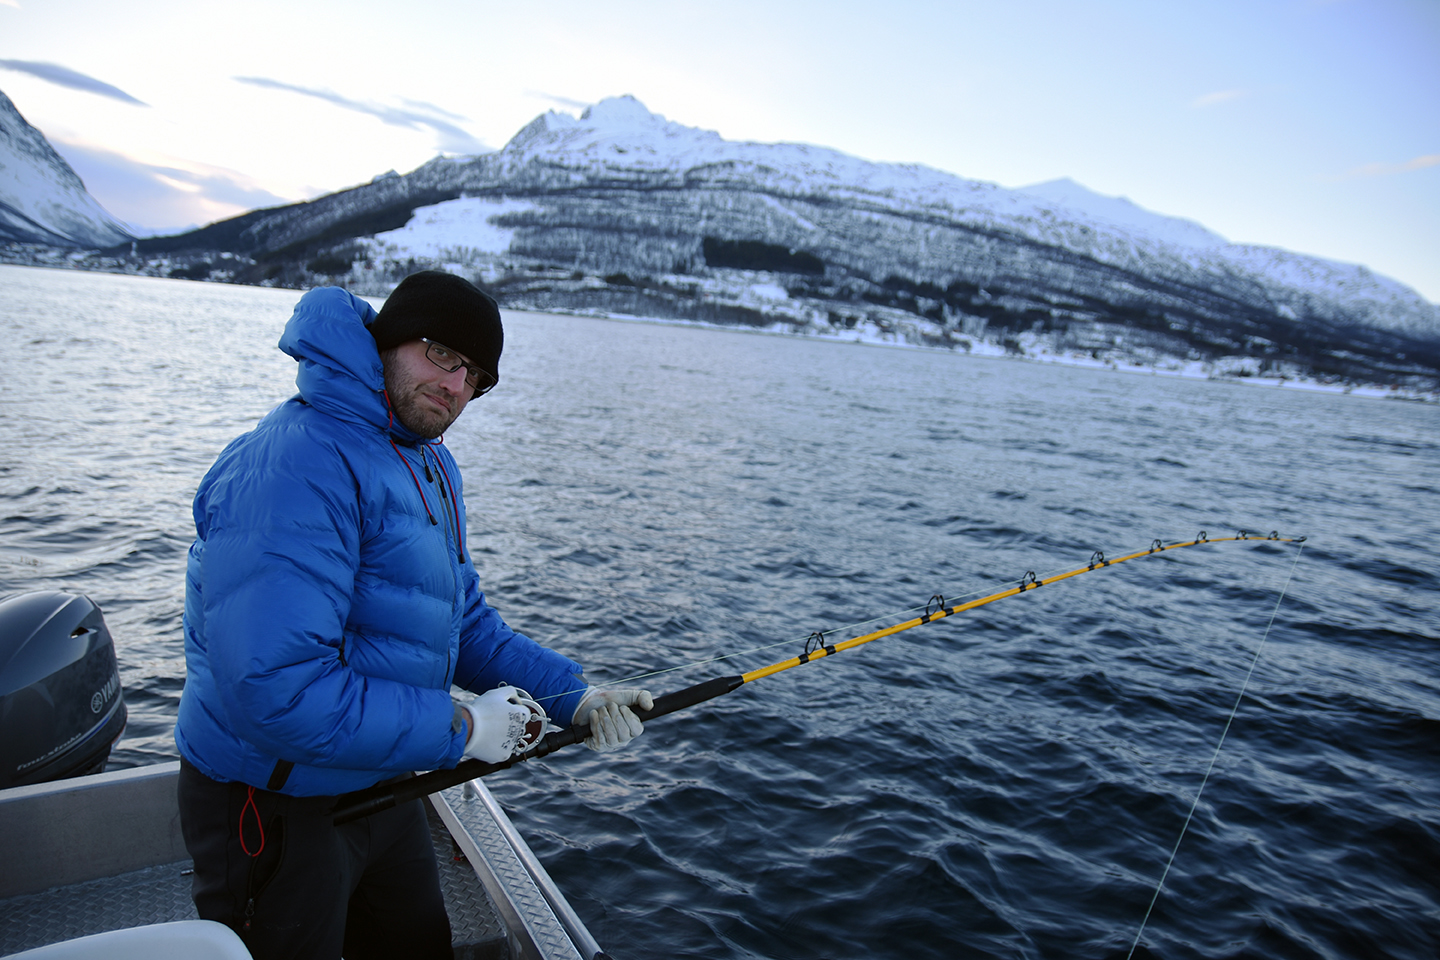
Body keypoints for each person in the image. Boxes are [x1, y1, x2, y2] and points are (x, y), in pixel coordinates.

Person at [174, 271, 652, 960]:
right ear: (387, 343)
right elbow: (277, 692)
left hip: (383, 777)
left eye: (478, 377)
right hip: (274, 798)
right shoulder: (297, 464)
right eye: (442, 355)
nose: (458, 387)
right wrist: (463, 729)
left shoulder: (427, 463)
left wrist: (574, 694)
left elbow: (464, 623)